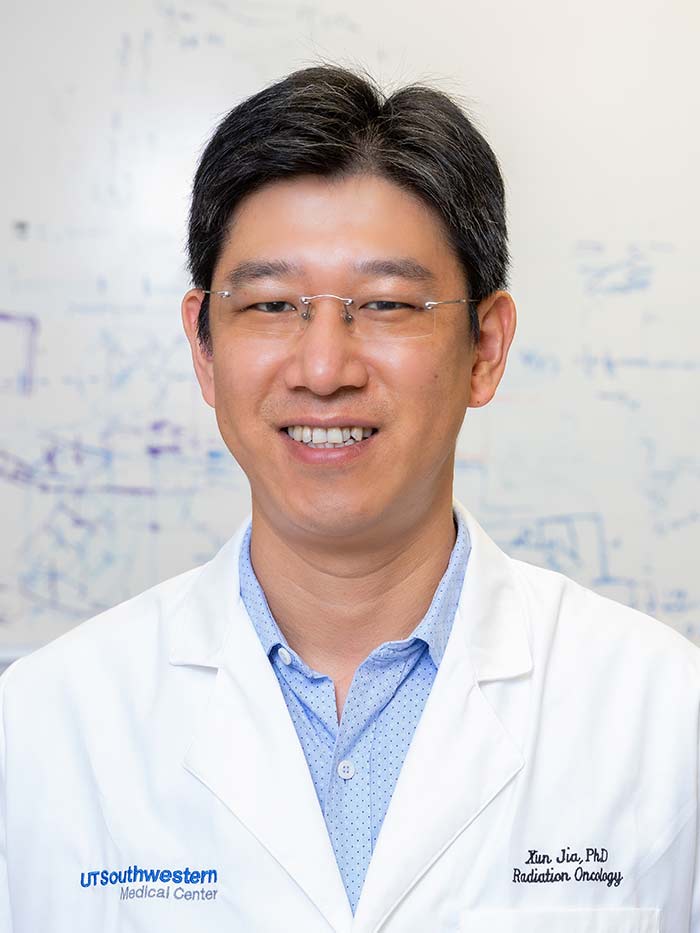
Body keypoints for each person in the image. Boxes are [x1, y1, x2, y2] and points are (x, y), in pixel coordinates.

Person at [0, 64, 698, 933]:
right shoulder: (41, 728)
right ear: (204, 347)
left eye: (387, 303)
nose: (324, 368)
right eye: (273, 303)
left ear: (485, 345)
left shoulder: (664, 716)